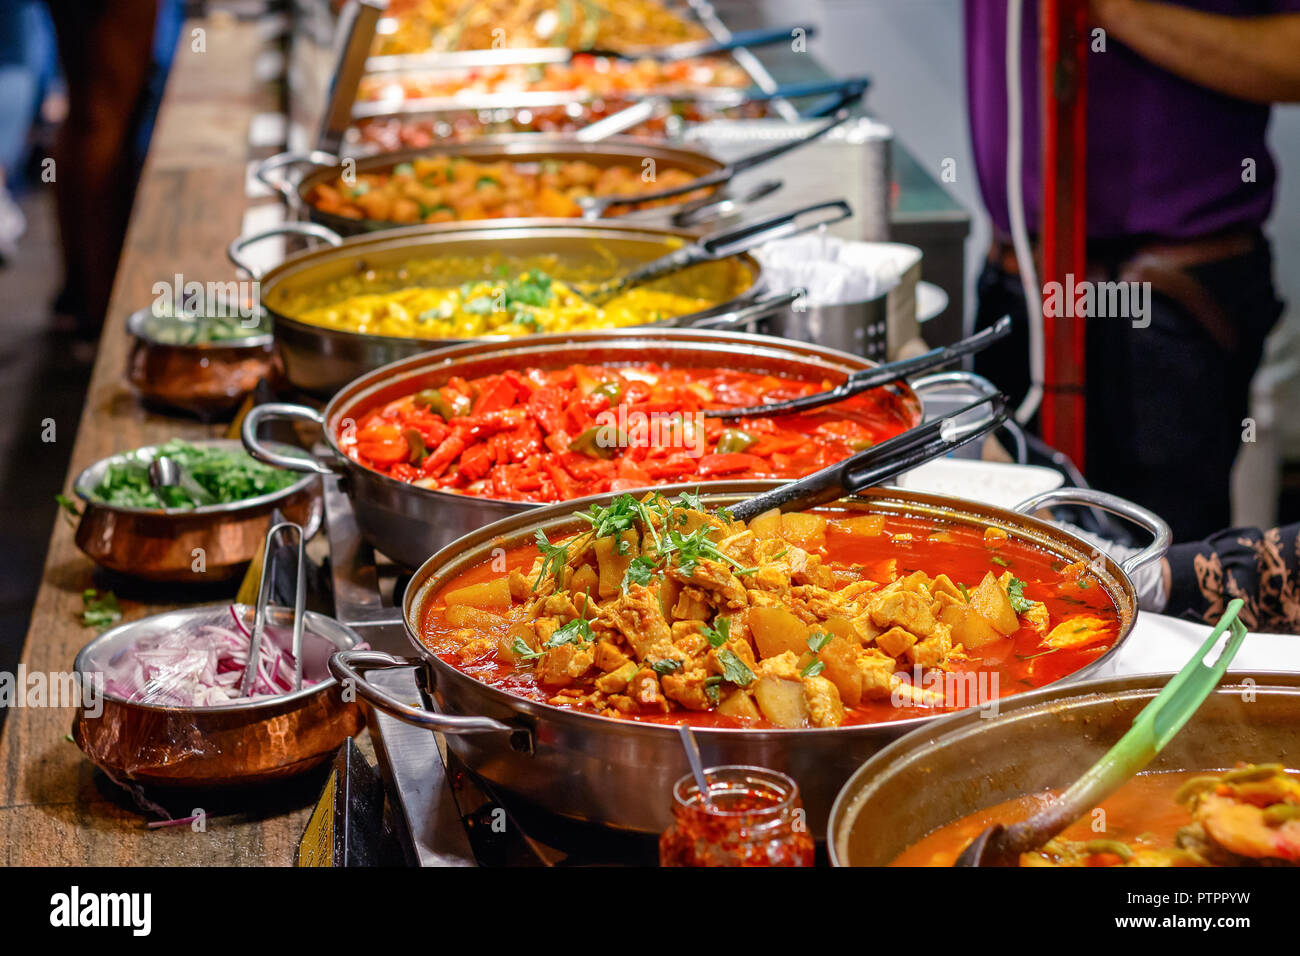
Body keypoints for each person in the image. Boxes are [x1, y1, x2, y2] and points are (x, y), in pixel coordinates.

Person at [966, 0, 1300, 541]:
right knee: (1002, 549)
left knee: (1156, 576)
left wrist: (1117, 14)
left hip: (1167, 296)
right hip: (1021, 278)